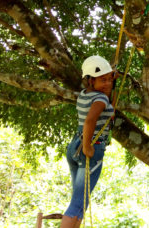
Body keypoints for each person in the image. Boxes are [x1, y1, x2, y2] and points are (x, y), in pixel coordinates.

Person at [60, 56, 116, 228]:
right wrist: (87, 148)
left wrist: (111, 78)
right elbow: (90, 121)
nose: (107, 83)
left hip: (74, 146)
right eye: (102, 80)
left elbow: (107, 106)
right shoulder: (101, 100)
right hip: (90, 148)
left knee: (79, 201)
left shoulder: (85, 95)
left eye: (109, 79)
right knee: (78, 204)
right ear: (91, 80)